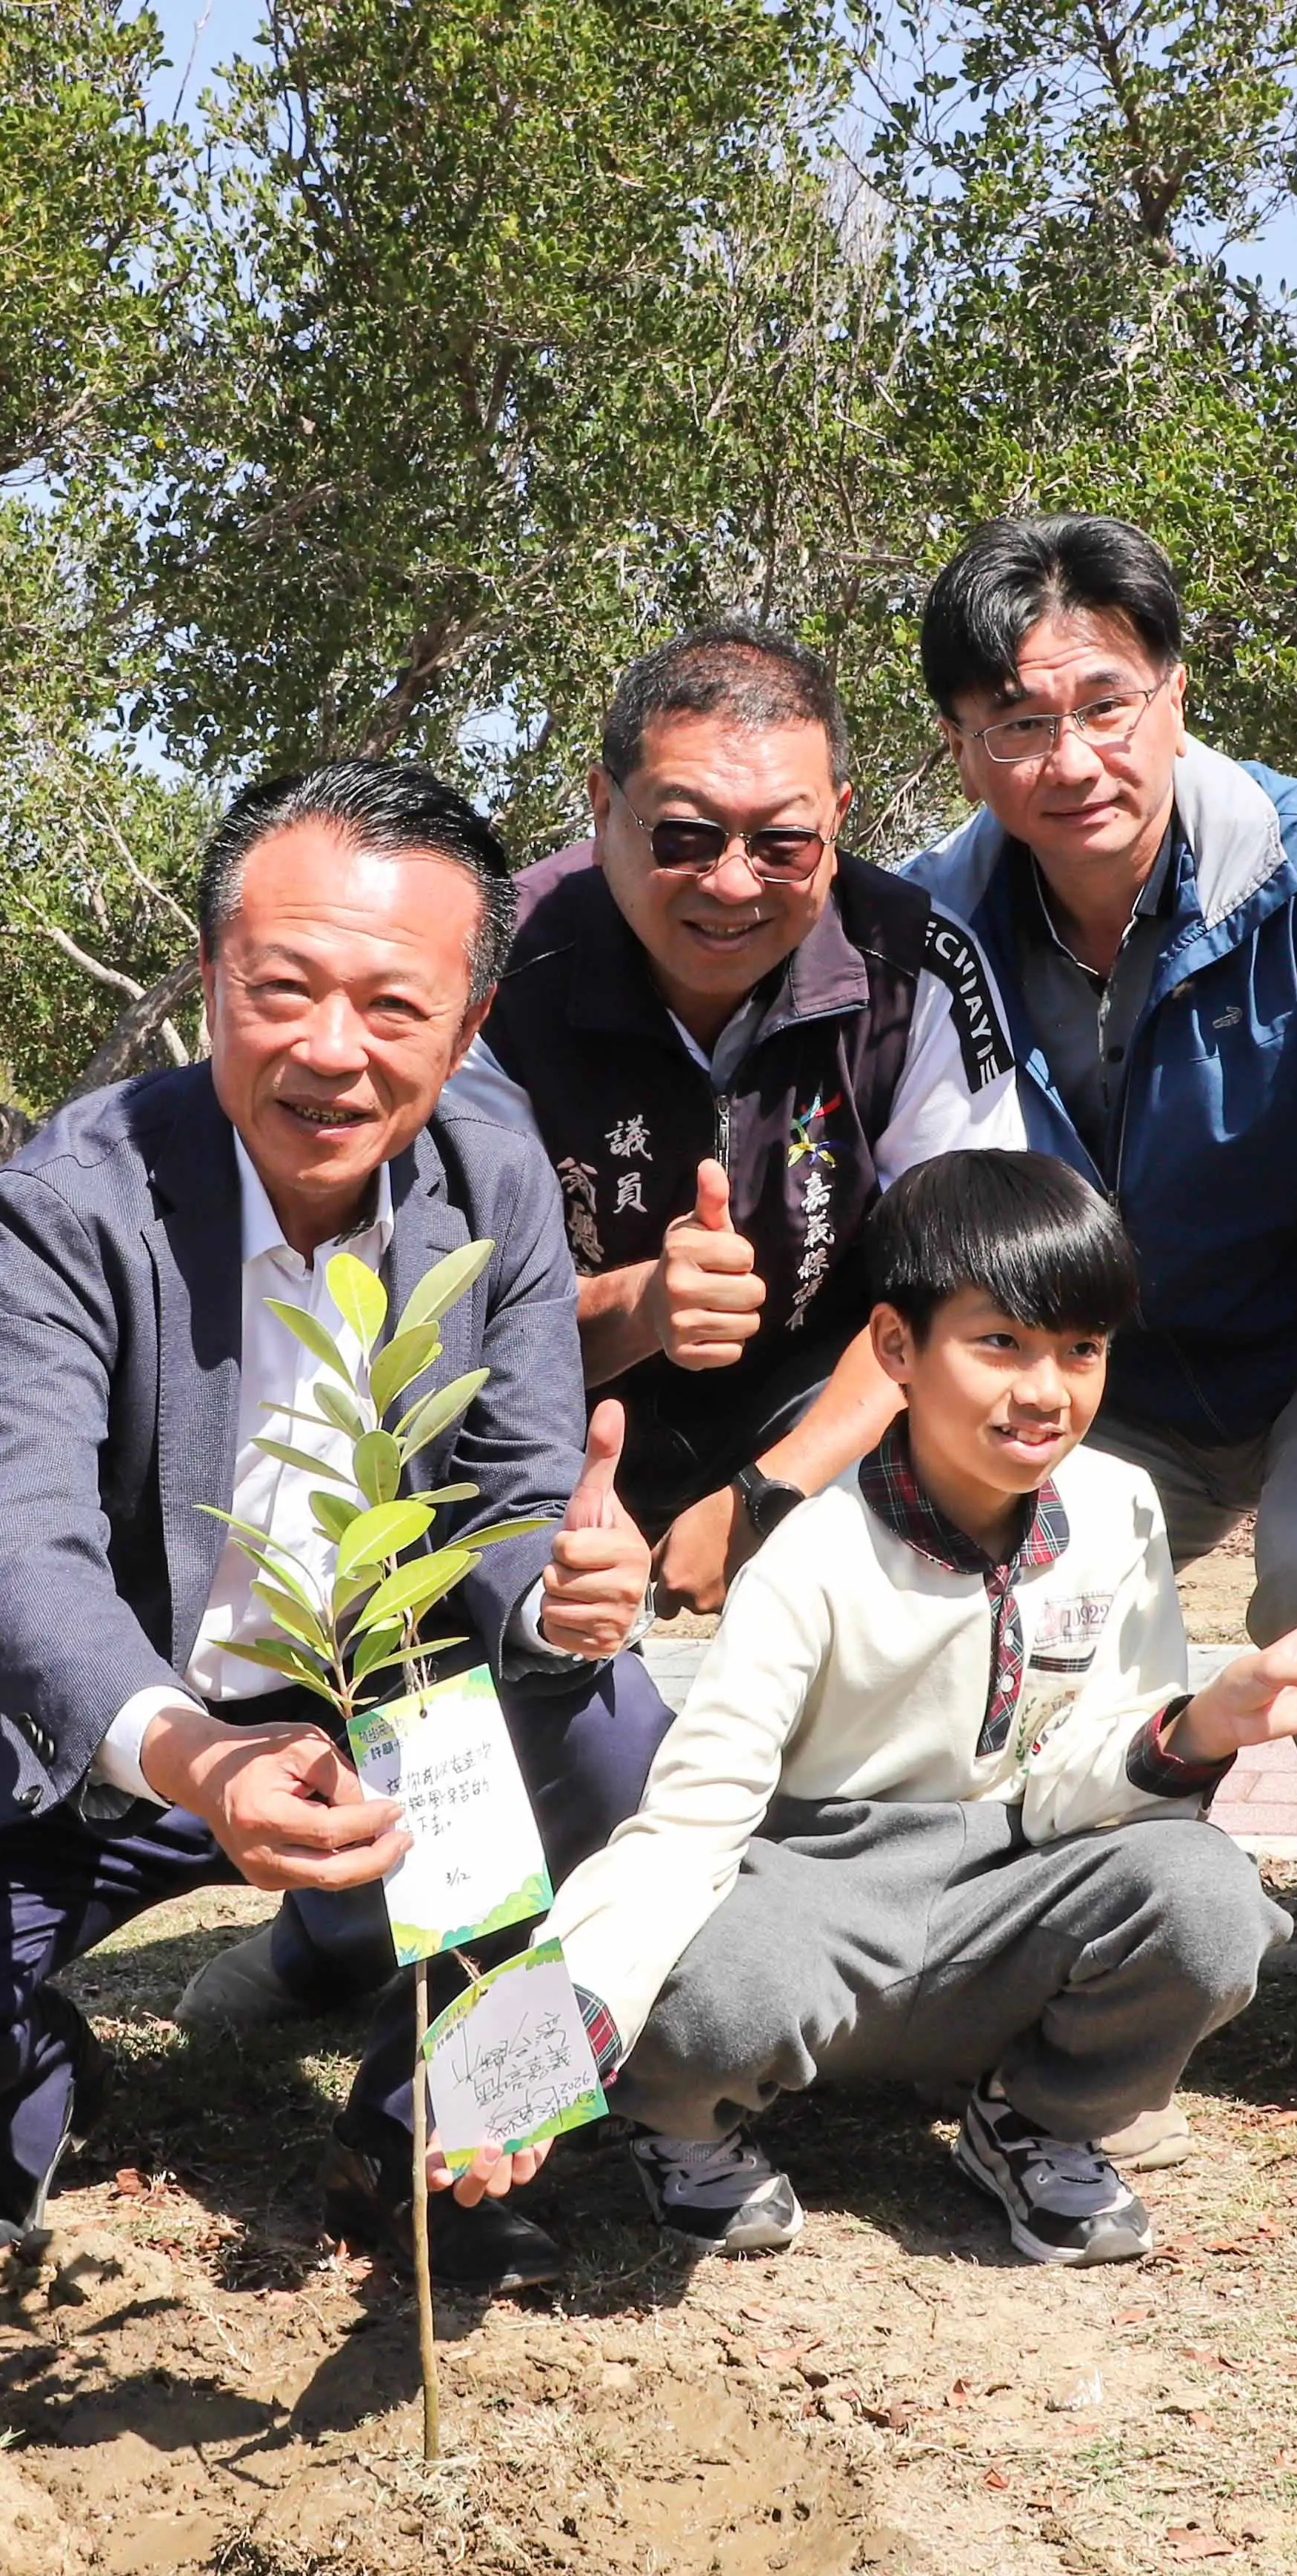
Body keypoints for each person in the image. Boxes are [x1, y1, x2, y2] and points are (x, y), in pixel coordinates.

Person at [0, 760, 668, 2295]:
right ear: (209, 980)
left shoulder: (491, 1179)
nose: (331, 1052)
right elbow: (11, 1547)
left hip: (381, 1717)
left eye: (393, 1008)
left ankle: (423, 2141)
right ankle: (19, 2108)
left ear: (469, 1024)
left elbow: (514, 1500)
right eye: (283, 989)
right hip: (106, 1741)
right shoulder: (72, 1200)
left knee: (611, 1728)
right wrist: (192, 1753)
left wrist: (561, 1591)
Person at [175, 625, 1029, 2039]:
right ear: (601, 804)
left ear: (843, 824)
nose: (734, 882)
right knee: (471, 1650)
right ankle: (367, 1952)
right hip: (536, 1406)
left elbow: (963, 1304)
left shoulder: (915, 964)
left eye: (783, 841)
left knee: (953, 1508)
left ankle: (806, 1964)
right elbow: (433, 1330)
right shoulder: (489, 970)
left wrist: (765, 1498)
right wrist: (639, 1304)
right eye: (685, 835)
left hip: (820, 1411)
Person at [906, 515, 1297, 2144]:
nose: (1070, 757)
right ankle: (1069, 1965)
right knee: (1045, 1563)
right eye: (1018, 723)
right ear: (965, 746)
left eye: (1105, 703)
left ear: (1175, 696)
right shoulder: (931, 924)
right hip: (1102, 1372)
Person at [541, 1151, 1297, 2264]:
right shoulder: (811, 1551)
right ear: (898, 1349)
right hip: (816, 1904)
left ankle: (1034, 2119)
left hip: (1006, 1892)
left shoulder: (1119, 1509)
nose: (1047, 1391)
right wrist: (574, 2012)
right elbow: (689, 1826)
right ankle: (675, 2122)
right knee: (713, 1998)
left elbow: (1077, 1781)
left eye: (1082, 1350)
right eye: (1000, 1342)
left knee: (1209, 1897)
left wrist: (1198, 1725)